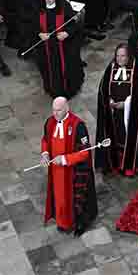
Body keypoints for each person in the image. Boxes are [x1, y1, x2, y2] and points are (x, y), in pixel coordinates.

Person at [96, 45, 138, 177]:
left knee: (130, 138)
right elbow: (103, 89)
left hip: (132, 115)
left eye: (123, 56)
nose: (119, 59)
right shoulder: (111, 69)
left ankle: (132, 166)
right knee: (116, 136)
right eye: (118, 56)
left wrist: (125, 104)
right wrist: (109, 101)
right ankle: (116, 163)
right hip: (114, 113)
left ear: (129, 56)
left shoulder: (137, 71)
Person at [40, 96, 98, 235]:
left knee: (75, 199)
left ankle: (79, 223)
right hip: (56, 170)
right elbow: (45, 140)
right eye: (53, 110)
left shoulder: (78, 126)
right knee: (59, 197)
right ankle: (62, 221)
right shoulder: (49, 122)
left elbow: (85, 152)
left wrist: (65, 159)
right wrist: (45, 153)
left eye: (58, 110)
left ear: (67, 108)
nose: (55, 113)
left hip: (73, 171)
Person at [36, 0, 84, 99]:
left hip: (64, 45)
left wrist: (66, 33)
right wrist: (40, 33)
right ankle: (53, 90)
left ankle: (67, 90)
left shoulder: (64, 6)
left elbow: (74, 25)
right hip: (47, 46)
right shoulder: (39, 6)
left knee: (66, 67)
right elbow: (33, 24)